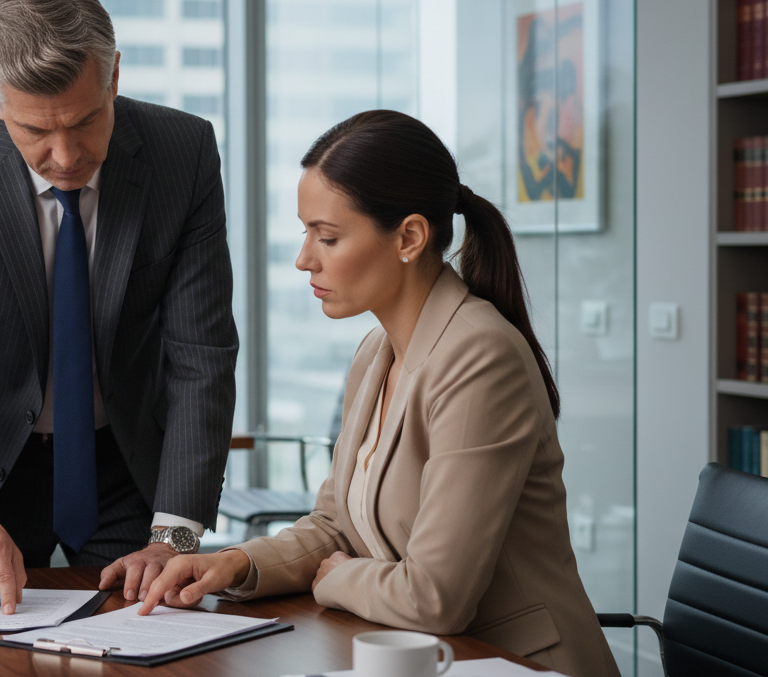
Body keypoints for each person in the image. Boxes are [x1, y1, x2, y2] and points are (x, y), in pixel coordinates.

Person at [139, 110, 621, 677]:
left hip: (515, 662)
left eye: (329, 236)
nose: (304, 259)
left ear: (409, 237)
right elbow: (335, 525)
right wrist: (234, 563)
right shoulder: (376, 352)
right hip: (424, 657)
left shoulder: (480, 357)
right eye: (306, 233)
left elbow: (436, 596)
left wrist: (339, 576)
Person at [0, 0, 237, 615]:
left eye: (86, 121)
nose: (65, 155)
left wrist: (175, 532)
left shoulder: (184, 153)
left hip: (128, 466)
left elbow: (201, 356)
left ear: (114, 75)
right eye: (35, 130)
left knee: (156, 641)